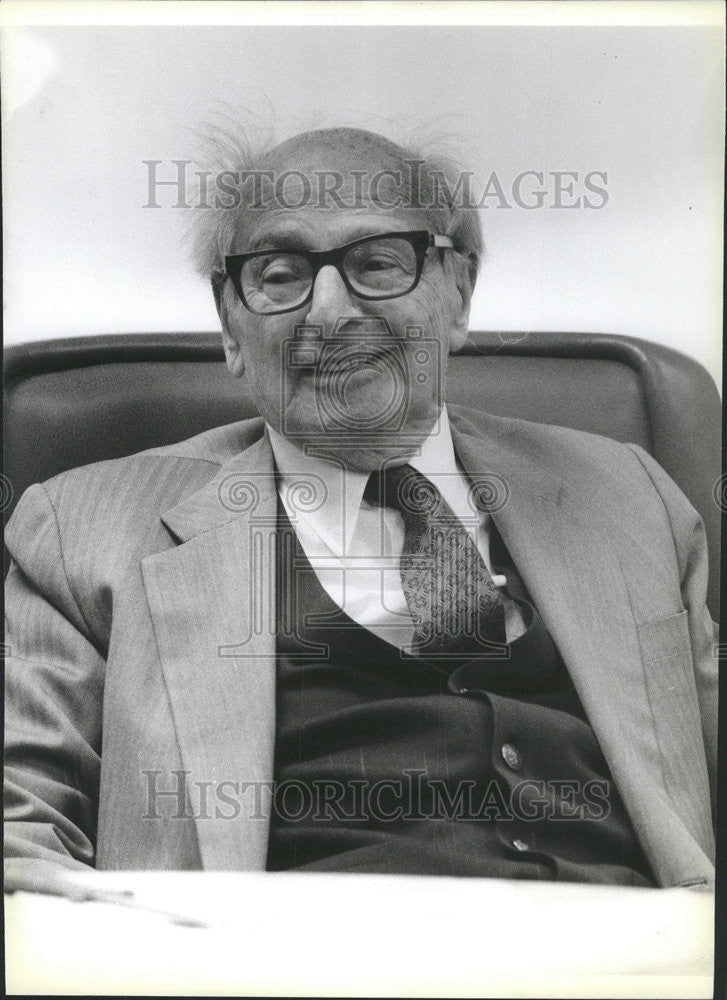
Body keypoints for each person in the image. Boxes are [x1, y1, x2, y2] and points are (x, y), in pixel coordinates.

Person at [4, 127, 716, 889]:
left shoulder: (629, 497)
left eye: (378, 263)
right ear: (230, 324)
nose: (330, 312)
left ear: (458, 295)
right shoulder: (80, 530)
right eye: (280, 275)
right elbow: (19, 824)